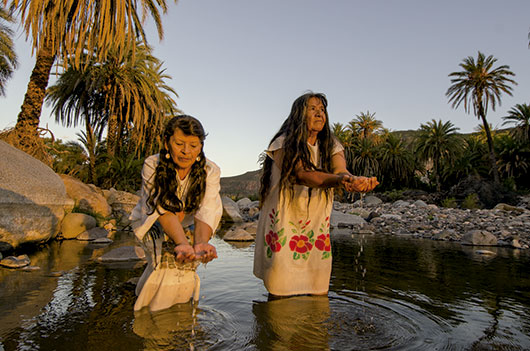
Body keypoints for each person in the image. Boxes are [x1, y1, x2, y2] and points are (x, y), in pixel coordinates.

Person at [253, 92, 378, 297]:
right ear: (298, 115)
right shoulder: (283, 143)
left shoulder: (331, 144)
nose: (319, 113)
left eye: (322, 110)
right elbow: (301, 175)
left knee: (318, 290)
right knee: (280, 292)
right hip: (285, 220)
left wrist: (353, 180)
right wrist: (340, 181)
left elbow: (340, 170)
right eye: (312, 109)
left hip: (315, 223)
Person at [130, 115, 223, 311]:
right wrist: (181, 243)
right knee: (164, 264)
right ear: (166, 142)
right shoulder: (152, 165)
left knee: (187, 265)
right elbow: (162, 209)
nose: (186, 152)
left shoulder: (210, 170)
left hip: (191, 225)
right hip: (154, 223)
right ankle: (151, 313)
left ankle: (179, 312)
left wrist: (201, 243)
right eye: (179, 144)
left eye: (194, 145)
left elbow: (207, 210)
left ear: (201, 147)